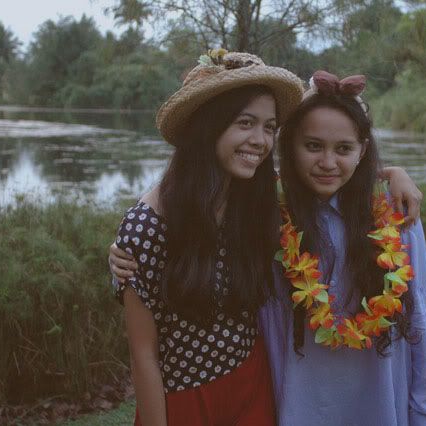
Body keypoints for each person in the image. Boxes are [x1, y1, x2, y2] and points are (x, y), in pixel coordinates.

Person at [112, 50, 305, 426]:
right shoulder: (147, 226)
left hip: (252, 386)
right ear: (209, 125)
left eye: (269, 127)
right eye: (245, 123)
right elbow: (143, 356)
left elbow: (329, 167)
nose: (260, 140)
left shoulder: (253, 201)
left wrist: (390, 174)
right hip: (184, 399)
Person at [260, 70, 426, 425]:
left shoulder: (397, 219)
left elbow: (420, 319)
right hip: (298, 405)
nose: (328, 163)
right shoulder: (268, 221)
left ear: (363, 151)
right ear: (289, 146)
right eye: (313, 146)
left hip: (379, 402)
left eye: (343, 149)